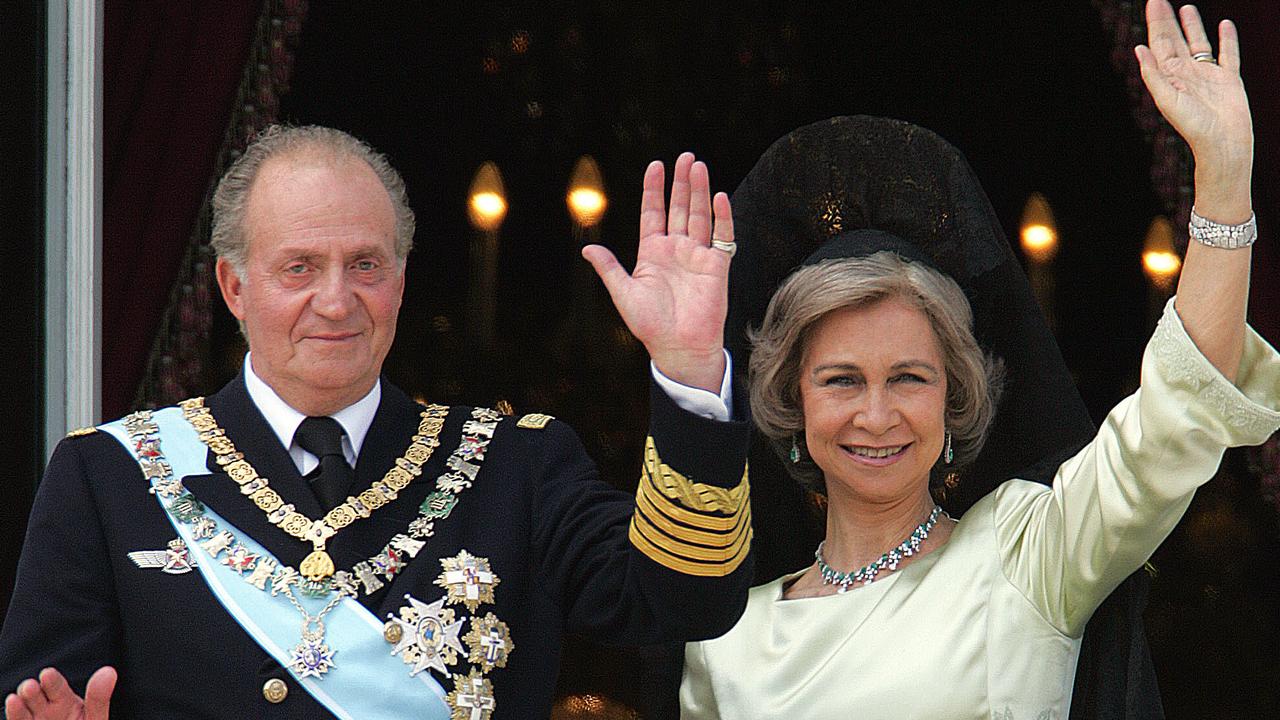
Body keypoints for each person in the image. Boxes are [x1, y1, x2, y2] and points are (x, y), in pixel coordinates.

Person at [1, 125, 753, 718]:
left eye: (365, 264)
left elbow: (684, 601)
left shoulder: (515, 467)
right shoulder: (111, 478)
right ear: (234, 286)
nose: (336, 300)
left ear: (401, 279)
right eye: (299, 268)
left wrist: (688, 373)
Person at [681, 2, 1279, 717]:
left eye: (910, 376)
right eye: (842, 379)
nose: (877, 414)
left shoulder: (1026, 555)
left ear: (954, 396)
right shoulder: (727, 642)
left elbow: (1181, 414)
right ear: (792, 400)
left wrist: (1223, 174)